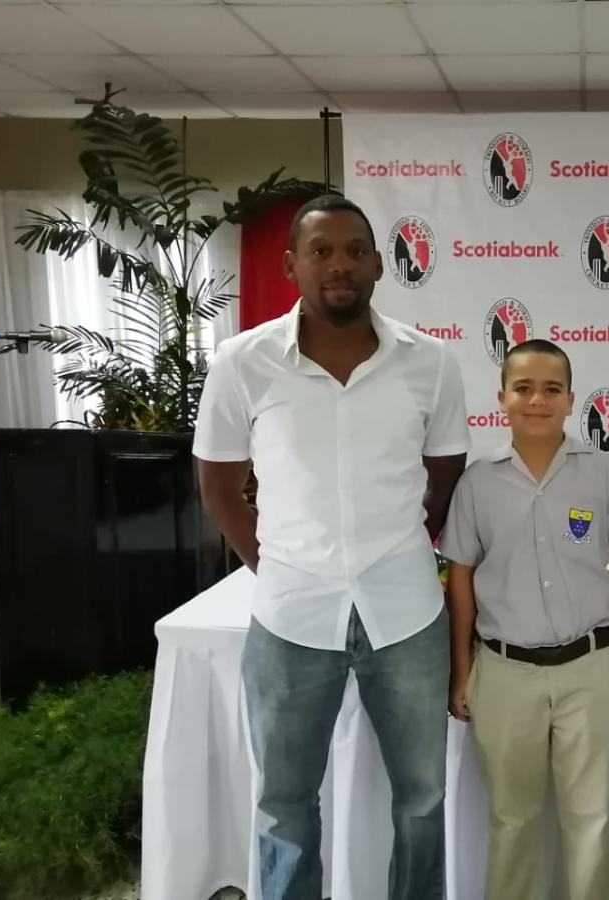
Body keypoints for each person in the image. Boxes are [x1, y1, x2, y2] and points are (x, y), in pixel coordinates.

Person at [193, 194, 469, 900]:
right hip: (290, 618)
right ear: (291, 265)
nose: (338, 265)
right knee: (284, 806)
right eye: (320, 251)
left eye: (353, 250)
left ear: (379, 263)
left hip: (405, 612)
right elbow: (221, 488)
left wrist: (399, 545)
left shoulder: (430, 363)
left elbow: (443, 479)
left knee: (422, 800)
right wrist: (278, 563)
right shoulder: (241, 362)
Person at [441, 339, 609, 900]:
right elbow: (460, 578)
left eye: (552, 389)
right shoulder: (477, 482)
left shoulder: (602, 473)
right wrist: (462, 670)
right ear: (502, 399)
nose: (537, 400)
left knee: (592, 823)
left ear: (570, 401)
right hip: (506, 673)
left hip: (592, 669)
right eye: (524, 388)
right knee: (512, 821)